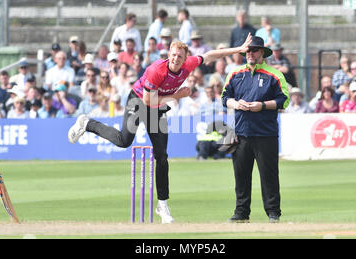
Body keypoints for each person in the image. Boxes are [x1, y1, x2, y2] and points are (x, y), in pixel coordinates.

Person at [68, 34, 253, 224]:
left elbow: (211, 54)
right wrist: (177, 95)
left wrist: (238, 49)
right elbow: (148, 101)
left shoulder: (188, 64)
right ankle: (87, 123)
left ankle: (162, 205)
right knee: (124, 141)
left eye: (179, 57)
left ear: (184, 59)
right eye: (173, 55)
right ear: (169, 54)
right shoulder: (157, 69)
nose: (175, 59)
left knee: (162, 156)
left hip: (157, 107)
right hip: (139, 100)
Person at [221, 35, 289, 224]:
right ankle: (241, 212)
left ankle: (273, 212)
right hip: (241, 133)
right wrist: (236, 103)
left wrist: (262, 105)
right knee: (241, 175)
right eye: (248, 51)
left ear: (262, 53)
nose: (250, 53)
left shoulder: (274, 75)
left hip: (266, 133)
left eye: (254, 50)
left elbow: (284, 100)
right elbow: (225, 97)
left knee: (269, 175)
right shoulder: (235, 74)